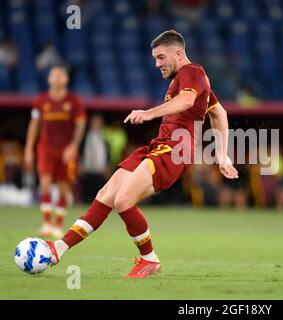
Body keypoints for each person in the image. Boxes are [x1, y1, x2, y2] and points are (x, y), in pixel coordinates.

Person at [45, 30, 238, 278]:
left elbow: (187, 102)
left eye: (160, 57)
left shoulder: (194, 72)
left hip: (175, 149)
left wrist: (148, 113)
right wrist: (222, 155)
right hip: (159, 145)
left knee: (123, 201)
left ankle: (149, 259)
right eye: (155, 58)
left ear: (179, 53)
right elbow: (219, 113)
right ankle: (58, 248)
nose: (157, 64)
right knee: (106, 195)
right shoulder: (190, 79)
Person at [24, 66, 86, 238]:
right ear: (49, 79)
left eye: (61, 75)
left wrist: (73, 146)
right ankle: (46, 223)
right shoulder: (41, 101)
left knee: (63, 187)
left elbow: (81, 125)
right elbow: (34, 124)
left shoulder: (73, 101)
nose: (57, 78)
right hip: (46, 148)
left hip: (66, 150)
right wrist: (29, 148)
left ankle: (58, 226)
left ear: (66, 79)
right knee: (44, 183)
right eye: (54, 75)